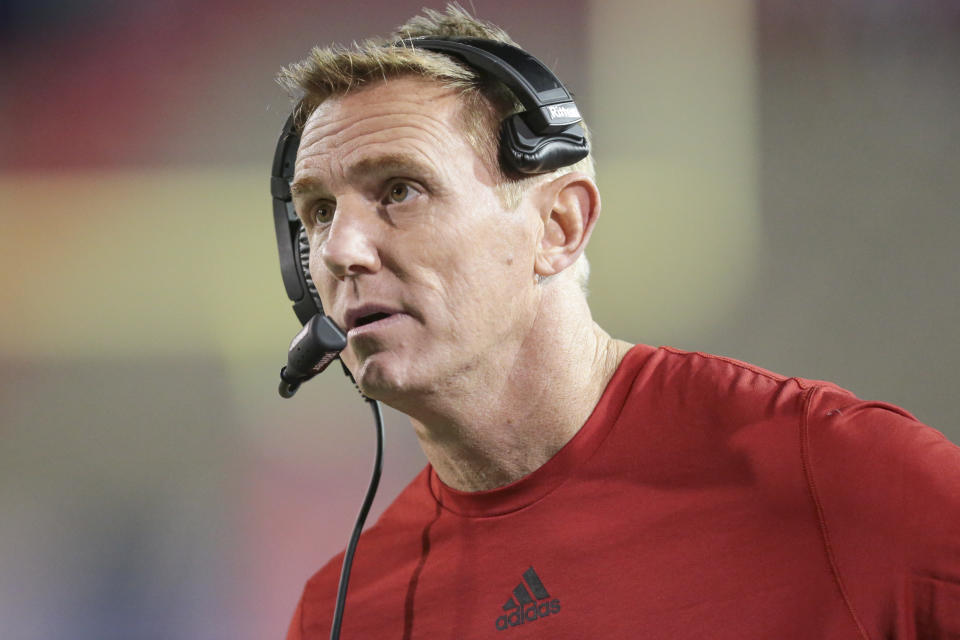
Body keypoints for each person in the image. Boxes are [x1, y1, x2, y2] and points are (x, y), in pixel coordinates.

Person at [277, 6, 960, 639]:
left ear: (559, 225)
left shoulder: (836, 475)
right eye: (318, 213)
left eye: (400, 189)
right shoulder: (342, 612)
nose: (339, 251)